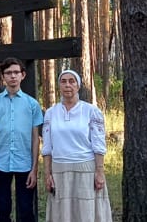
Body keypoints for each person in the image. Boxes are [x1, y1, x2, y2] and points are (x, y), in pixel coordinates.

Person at [42, 69, 112, 222]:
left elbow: (98, 145)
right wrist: (47, 174)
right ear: (59, 85)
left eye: (72, 81)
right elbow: (47, 147)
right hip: (60, 171)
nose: (68, 85)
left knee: (86, 214)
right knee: (63, 215)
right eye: (63, 81)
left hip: (86, 171)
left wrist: (99, 171)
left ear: (78, 86)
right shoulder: (51, 113)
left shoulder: (91, 111)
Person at [0, 57, 43, 222]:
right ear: (3, 77)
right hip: (1, 163)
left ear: (23, 75)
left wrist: (34, 169)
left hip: (24, 163)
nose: (12, 76)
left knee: (26, 209)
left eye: (16, 72)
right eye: (8, 73)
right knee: (3, 209)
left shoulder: (32, 104)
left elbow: (35, 138)